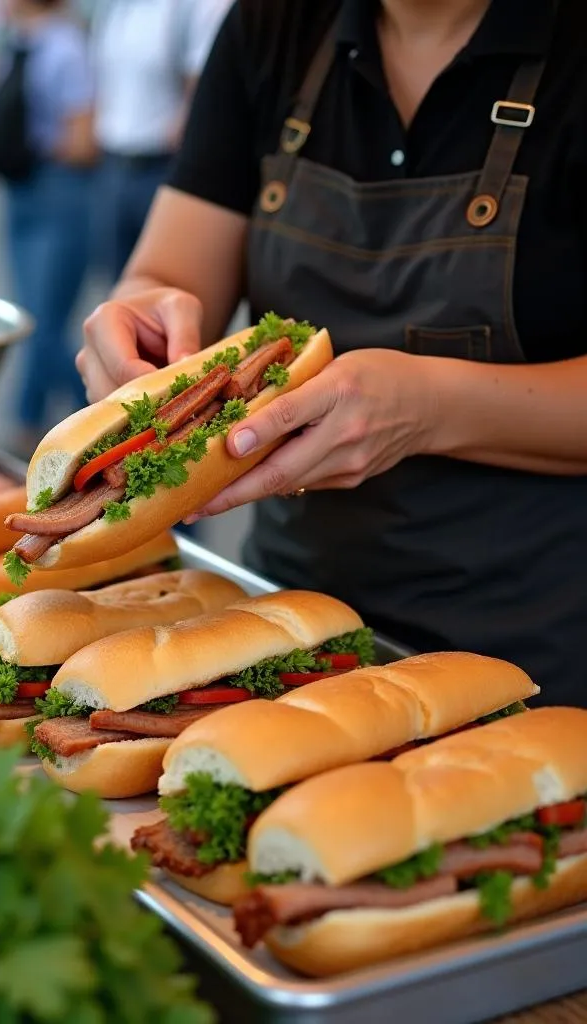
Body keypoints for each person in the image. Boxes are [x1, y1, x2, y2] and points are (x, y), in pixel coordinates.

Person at [78, 0, 587, 704]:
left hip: (539, 640)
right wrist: (139, 318)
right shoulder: (275, 24)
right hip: (285, 615)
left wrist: (434, 408)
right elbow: (168, 273)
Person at [0, 0, 96, 450]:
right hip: (19, 191)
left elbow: (84, 140)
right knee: (30, 317)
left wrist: (32, 148)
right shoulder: (11, 44)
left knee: (44, 324)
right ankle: (30, 423)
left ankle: (100, 405)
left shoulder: (66, 48)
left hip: (56, 190)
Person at [89, 0, 231, 283]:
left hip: (161, 165)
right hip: (113, 163)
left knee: (166, 282)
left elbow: (203, 84)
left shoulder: (191, 9)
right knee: (117, 281)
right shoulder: (116, 9)